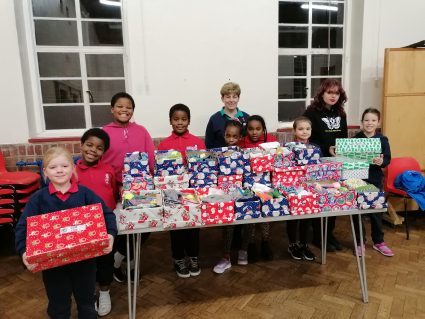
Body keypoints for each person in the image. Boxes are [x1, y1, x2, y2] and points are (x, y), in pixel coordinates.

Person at [15, 147, 116, 319]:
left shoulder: (85, 194)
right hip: (53, 266)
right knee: (58, 305)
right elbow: (23, 226)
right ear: (45, 172)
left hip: (85, 262)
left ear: (73, 169)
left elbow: (106, 214)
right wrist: (24, 251)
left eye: (64, 166)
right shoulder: (38, 199)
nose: (60, 170)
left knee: (87, 303)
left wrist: (110, 235)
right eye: (53, 167)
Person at [102, 92, 155, 282]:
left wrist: (150, 182)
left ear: (133, 110)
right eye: (120, 106)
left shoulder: (141, 131)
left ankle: (122, 258)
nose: (124, 110)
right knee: (123, 227)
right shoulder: (104, 132)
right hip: (113, 189)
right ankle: (123, 263)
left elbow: (150, 158)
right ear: (112, 109)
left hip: (140, 188)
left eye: (128, 107)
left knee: (146, 224)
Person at [157, 103, 205, 278]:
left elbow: (203, 167)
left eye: (183, 119)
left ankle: (193, 257)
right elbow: (160, 170)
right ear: (170, 121)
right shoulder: (164, 145)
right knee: (176, 225)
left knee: (193, 226)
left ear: (189, 121)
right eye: (176, 119)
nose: (180, 122)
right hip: (172, 192)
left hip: (193, 190)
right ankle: (178, 258)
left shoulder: (197, 142)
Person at [75, 128, 117, 316]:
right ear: (82, 145)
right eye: (89, 145)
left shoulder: (108, 170)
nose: (93, 150)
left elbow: (114, 193)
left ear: (104, 152)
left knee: (105, 260)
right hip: (82, 226)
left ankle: (105, 292)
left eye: (99, 148)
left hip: (104, 224)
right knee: (85, 264)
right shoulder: (72, 171)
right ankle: (88, 295)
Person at [303, 78, 348, 252]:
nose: (333, 96)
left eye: (336, 93)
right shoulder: (311, 112)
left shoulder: (341, 113)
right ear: (321, 93)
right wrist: (326, 148)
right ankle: (318, 236)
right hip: (319, 161)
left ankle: (329, 233)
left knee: (334, 196)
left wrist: (343, 151)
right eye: (329, 92)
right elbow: (308, 139)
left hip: (336, 161)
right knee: (321, 197)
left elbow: (343, 137)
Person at [353, 108, 393, 257]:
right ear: (362, 122)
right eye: (366, 120)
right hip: (358, 180)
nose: (369, 123)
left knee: (376, 212)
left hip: (375, 179)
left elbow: (387, 159)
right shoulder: (356, 139)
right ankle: (359, 242)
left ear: (378, 122)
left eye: (373, 120)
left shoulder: (383, 140)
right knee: (358, 212)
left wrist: (382, 161)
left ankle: (378, 242)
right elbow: (348, 159)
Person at [239, 115, 277, 262]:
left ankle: (266, 242)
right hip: (247, 185)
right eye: (250, 129)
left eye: (258, 129)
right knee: (251, 214)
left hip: (267, 184)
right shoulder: (241, 143)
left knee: (266, 213)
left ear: (263, 129)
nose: (254, 132)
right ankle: (251, 243)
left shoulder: (272, 141)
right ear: (246, 129)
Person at [213, 120, 247, 273]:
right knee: (228, 224)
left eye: (235, 136)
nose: (231, 139)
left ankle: (244, 250)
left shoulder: (244, 154)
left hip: (243, 192)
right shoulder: (218, 154)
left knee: (248, 220)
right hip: (225, 193)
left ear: (240, 137)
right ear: (224, 135)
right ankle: (226, 256)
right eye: (228, 136)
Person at [286, 117, 316, 261]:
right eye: (301, 129)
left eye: (307, 129)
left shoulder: (315, 148)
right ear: (294, 131)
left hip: (310, 186)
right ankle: (292, 245)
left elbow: (319, 168)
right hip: (293, 187)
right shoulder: (288, 148)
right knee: (293, 218)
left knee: (307, 217)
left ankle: (304, 244)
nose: (304, 132)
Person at [205, 82, 250, 149]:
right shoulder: (214, 119)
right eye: (228, 97)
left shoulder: (246, 117)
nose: (231, 100)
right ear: (222, 99)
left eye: (234, 97)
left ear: (238, 98)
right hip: (220, 157)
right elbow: (209, 144)